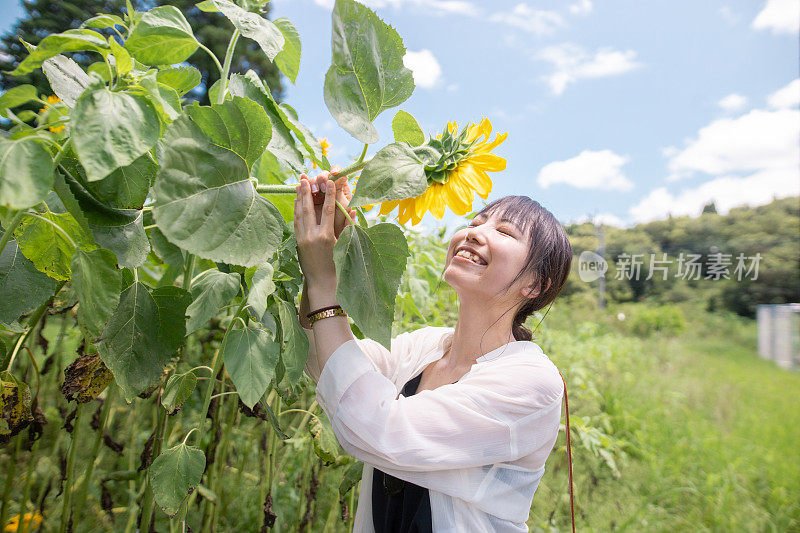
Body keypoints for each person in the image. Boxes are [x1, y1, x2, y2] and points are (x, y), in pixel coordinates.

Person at [294, 165, 573, 533]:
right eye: (476, 222)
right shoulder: (426, 345)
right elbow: (325, 363)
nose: (475, 234)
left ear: (535, 285)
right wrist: (327, 254)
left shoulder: (531, 383)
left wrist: (323, 279)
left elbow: (375, 427)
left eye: (504, 232)